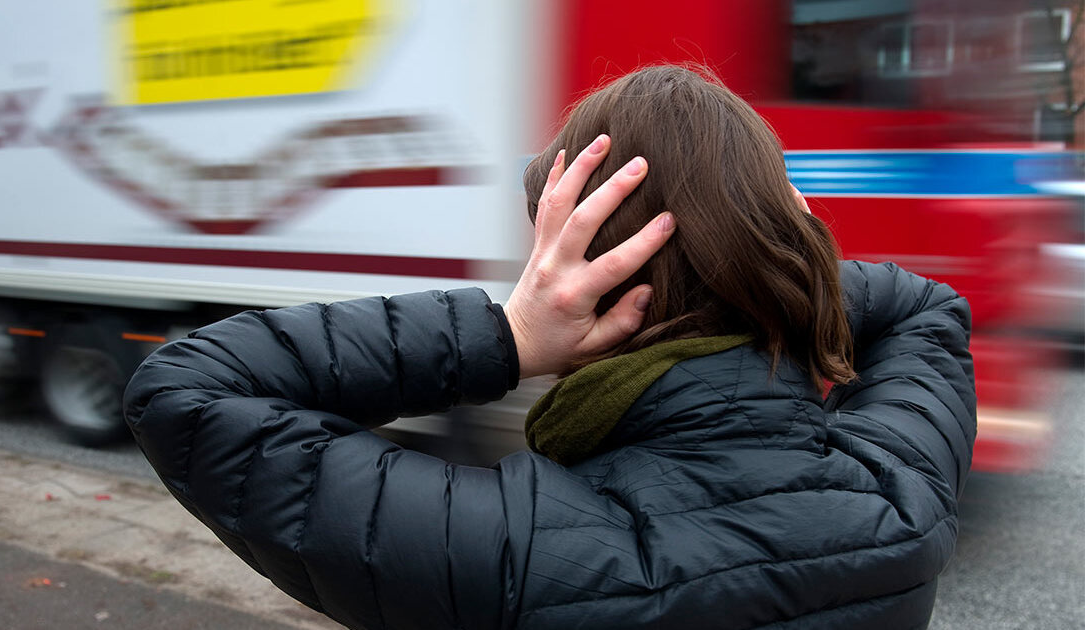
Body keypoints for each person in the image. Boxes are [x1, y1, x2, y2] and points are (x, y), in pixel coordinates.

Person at [124, 65, 975, 629]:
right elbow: (929, 309)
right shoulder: (897, 502)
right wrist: (776, 265)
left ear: (583, 280)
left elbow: (188, 391)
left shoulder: (513, 557)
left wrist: (509, 334)